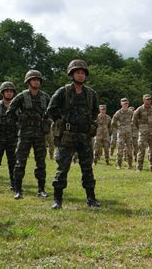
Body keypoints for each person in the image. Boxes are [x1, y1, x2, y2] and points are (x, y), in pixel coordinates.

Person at [47, 59, 100, 209]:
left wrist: (93, 125)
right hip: (67, 135)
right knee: (62, 168)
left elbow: (96, 112)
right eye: (78, 72)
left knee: (87, 168)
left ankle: (91, 198)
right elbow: (51, 109)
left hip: (84, 136)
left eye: (83, 73)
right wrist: (60, 122)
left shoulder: (91, 94)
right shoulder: (63, 92)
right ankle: (57, 200)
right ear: (72, 74)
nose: (81, 75)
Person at [7, 71, 50, 199]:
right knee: (20, 162)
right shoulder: (21, 96)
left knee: (41, 163)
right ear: (28, 81)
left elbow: (53, 110)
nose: (36, 81)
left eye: (38, 79)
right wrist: (19, 122)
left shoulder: (45, 97)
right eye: (34, 79)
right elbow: (10, 112)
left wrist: (48, 120)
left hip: (40, 134)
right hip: (25, 134)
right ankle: (18, 190)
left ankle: (41, 189)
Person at [133, 94, 152, 172]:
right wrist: (140, 128)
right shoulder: (139, 109)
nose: (148, 101)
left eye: (149, 99)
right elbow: (134, 120)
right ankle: (139, 167)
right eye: (146, 99)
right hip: (143, 132)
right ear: (143, 100)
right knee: (141, 150)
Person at [111, 98, 133, 169]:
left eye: (126, 103)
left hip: (129, 133)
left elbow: (135, 120)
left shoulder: (131, 112)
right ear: (121, 104)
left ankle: (130, 165)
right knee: (120, 150)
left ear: (128, 104)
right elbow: (113, 122)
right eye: (124, 103)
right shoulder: (118, 113)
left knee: (129, 150)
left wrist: (131, 126)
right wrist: (118, 128)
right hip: (121, 133)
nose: (125, 105)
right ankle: (119, 165)